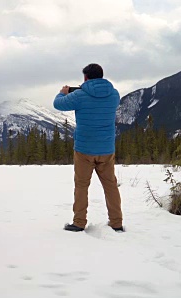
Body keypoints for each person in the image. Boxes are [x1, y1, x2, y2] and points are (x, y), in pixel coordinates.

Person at [53, 63, 124, 232]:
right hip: (106, 149)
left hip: (84, 149)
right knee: (110, 186)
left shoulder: (79, 95)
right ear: (101, 76)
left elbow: (58, 104)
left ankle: (79, 222)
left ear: (85, 77)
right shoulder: (114, 95)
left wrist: (62, 92)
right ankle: (116, 223)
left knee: (81, 186)